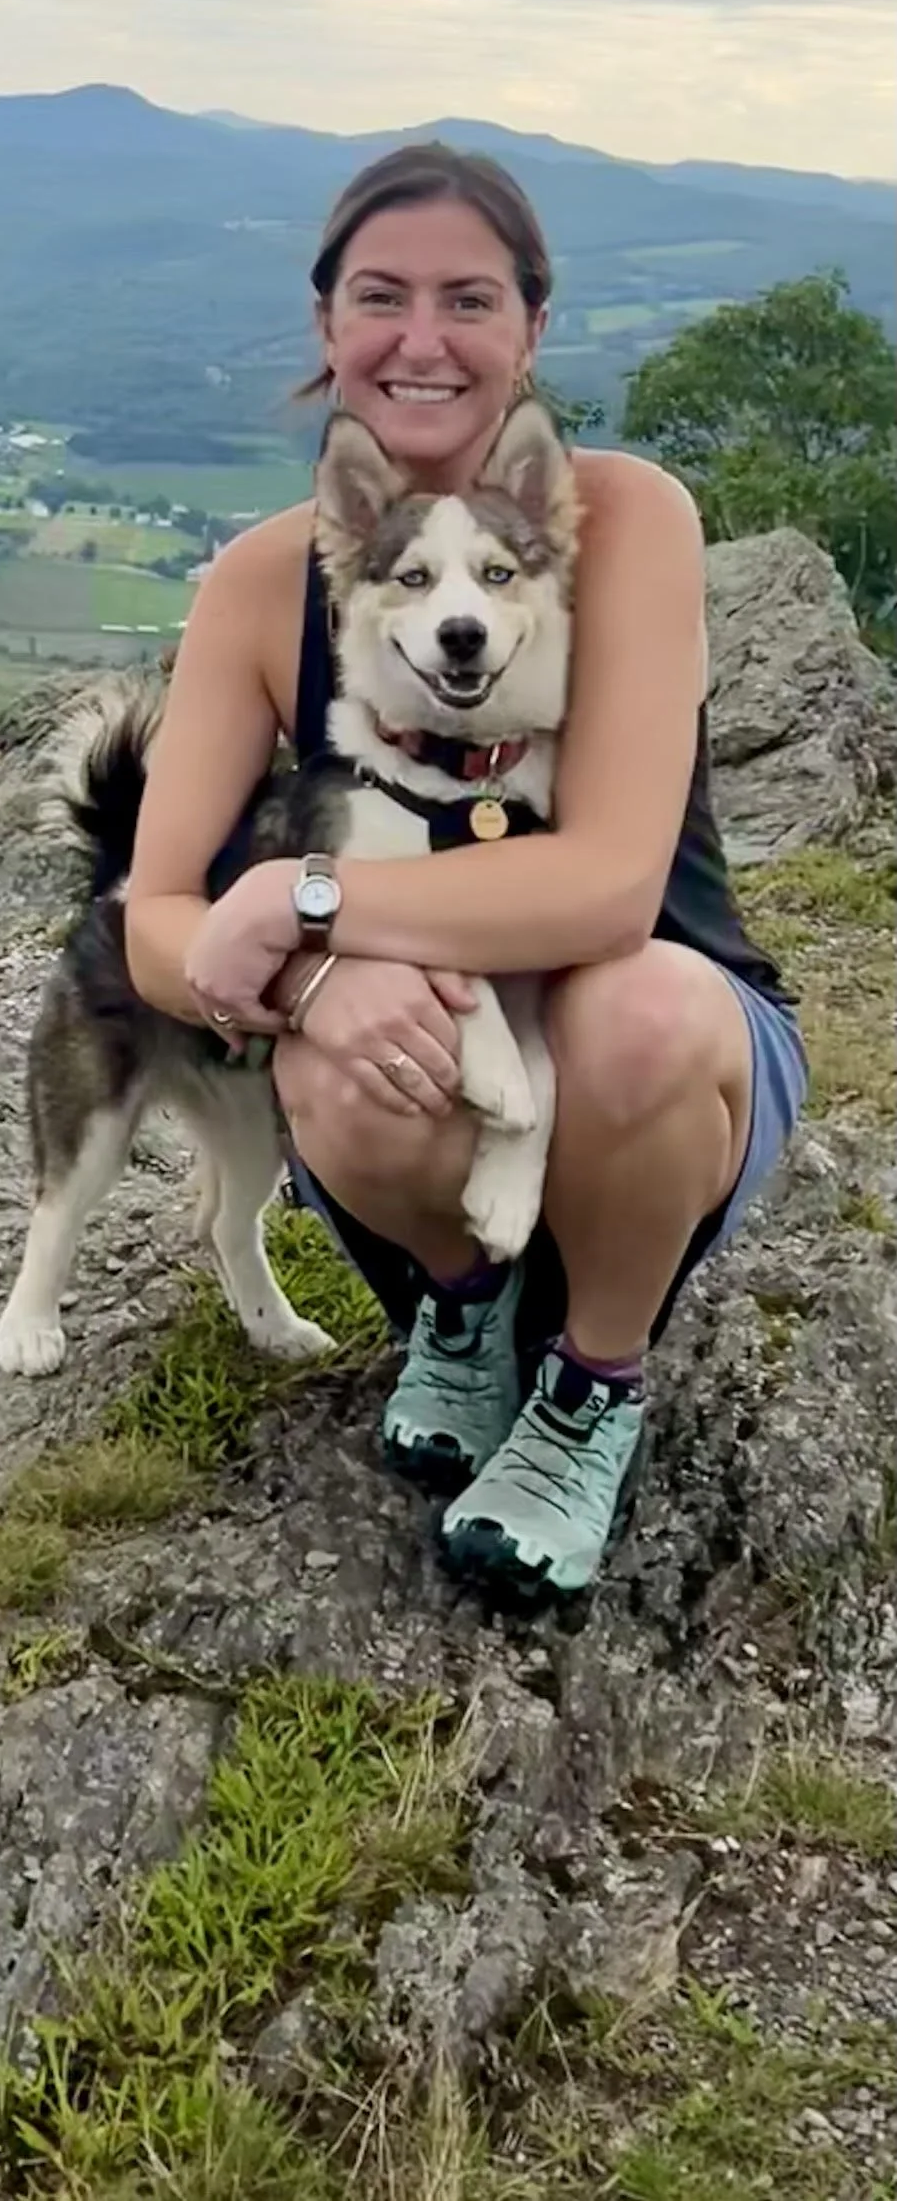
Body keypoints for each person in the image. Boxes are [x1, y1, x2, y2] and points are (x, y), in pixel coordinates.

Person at [120, 142, 808, 1610]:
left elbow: (611, 887)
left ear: (531, 330)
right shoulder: (257, 586)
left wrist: (307, 905)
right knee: (334, 1038)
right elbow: (155, 922)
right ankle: (467, 1310)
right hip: (428, 1137)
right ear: (326, 326)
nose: (421, 339)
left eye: (469, 298)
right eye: (381, 296)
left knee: (637, 1005)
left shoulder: (619, 519)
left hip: (662, 1094)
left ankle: (592, 1387)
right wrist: (308, 982)